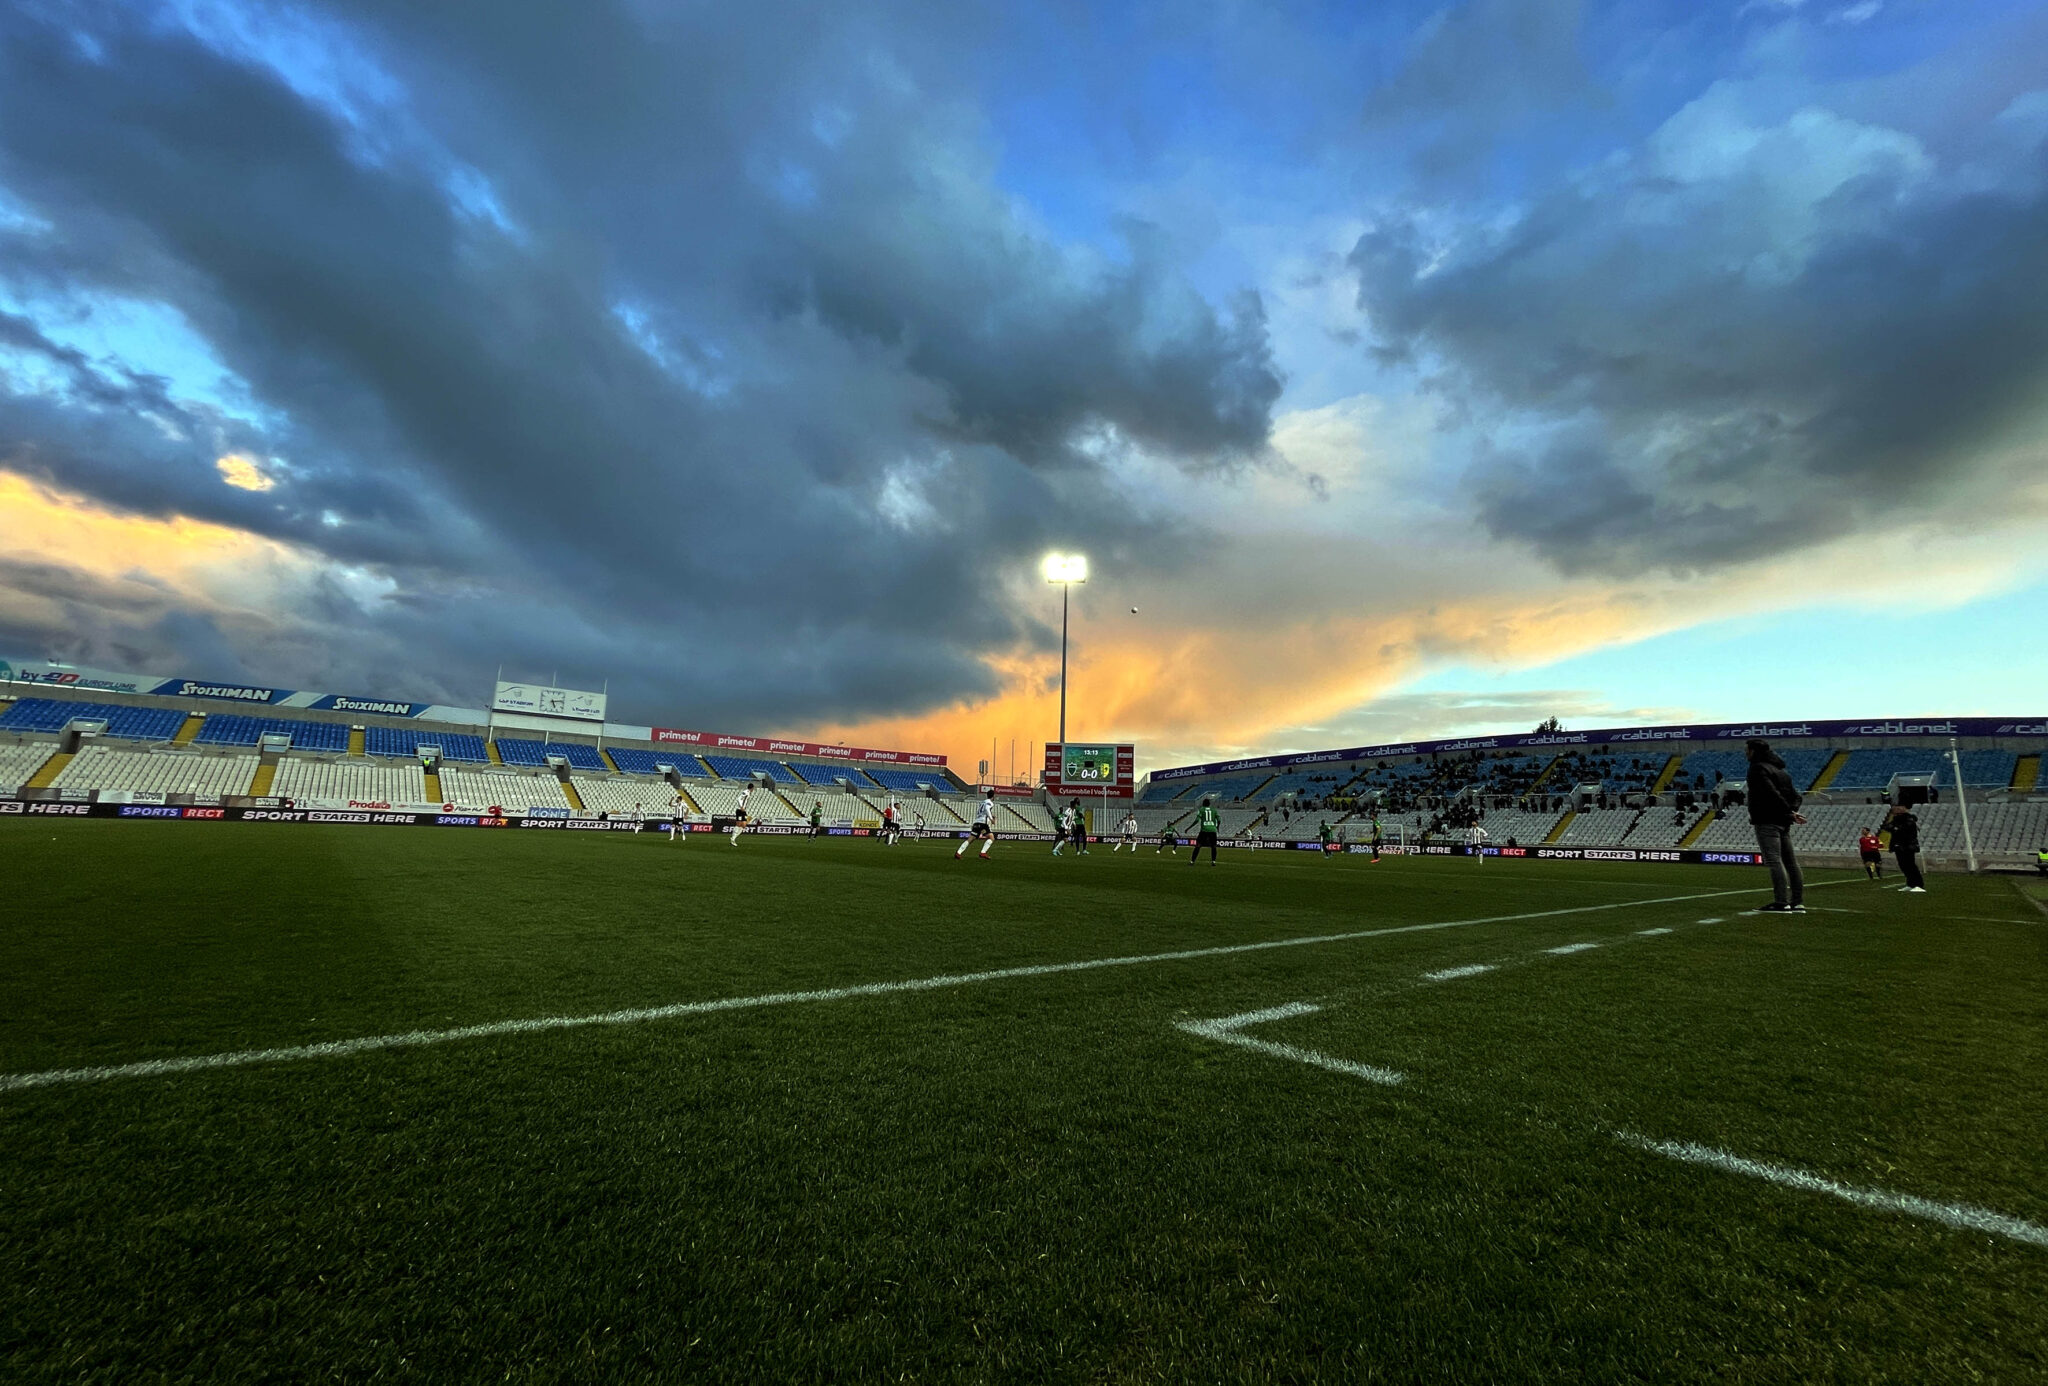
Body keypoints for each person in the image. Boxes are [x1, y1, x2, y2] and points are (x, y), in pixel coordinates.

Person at [1745, 738, 1807, 912]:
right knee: (1791, 862)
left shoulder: (1757, 769)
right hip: (1783, 821)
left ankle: (1781, 901)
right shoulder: (1782, 771)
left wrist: (1788, 811)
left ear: (1754, 751)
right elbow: (1797, 796)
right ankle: (1797, 901)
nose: (1745, 753)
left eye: (1747, 750)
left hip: (1767, 819)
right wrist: (1792, 812)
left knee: (1774, 861)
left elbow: (1769, 793)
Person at [1887, 804, 1926, 892]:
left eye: (1899, 807)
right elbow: (1888, 827)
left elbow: (1904, 830)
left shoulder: (1909, 819)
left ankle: (1919, 884)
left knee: (1910, 865)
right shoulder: (1896, 819)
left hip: (1908, 845)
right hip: (1898, 845)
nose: (1896, 809)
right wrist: (1895, 828)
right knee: (1903, 865)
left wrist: (1896, 829)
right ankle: (1910, 884)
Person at [956, 791, 997, 860]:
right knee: (991, 837)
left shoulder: (982, 802)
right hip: (983, 823)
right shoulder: (990, 803)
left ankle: (958, 853)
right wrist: (991, 819)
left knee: (971, 839)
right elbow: (987, 809)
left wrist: (990, 815)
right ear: (993, 796)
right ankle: (983, 853)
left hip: (977, 822)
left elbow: (981, 811)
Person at [1188, 797, 1222, 865]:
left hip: (1204, 830)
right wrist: (1217, 826)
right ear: (1209, 804)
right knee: (1213, 846)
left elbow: (1197, 820)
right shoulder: (1214, 810)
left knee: (1198, 845)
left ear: (1203, 804)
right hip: (1213, 830)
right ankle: (1213, 861)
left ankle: (1192, 861)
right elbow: (1219, 819)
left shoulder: (1201, 809)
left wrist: (1189, 827)